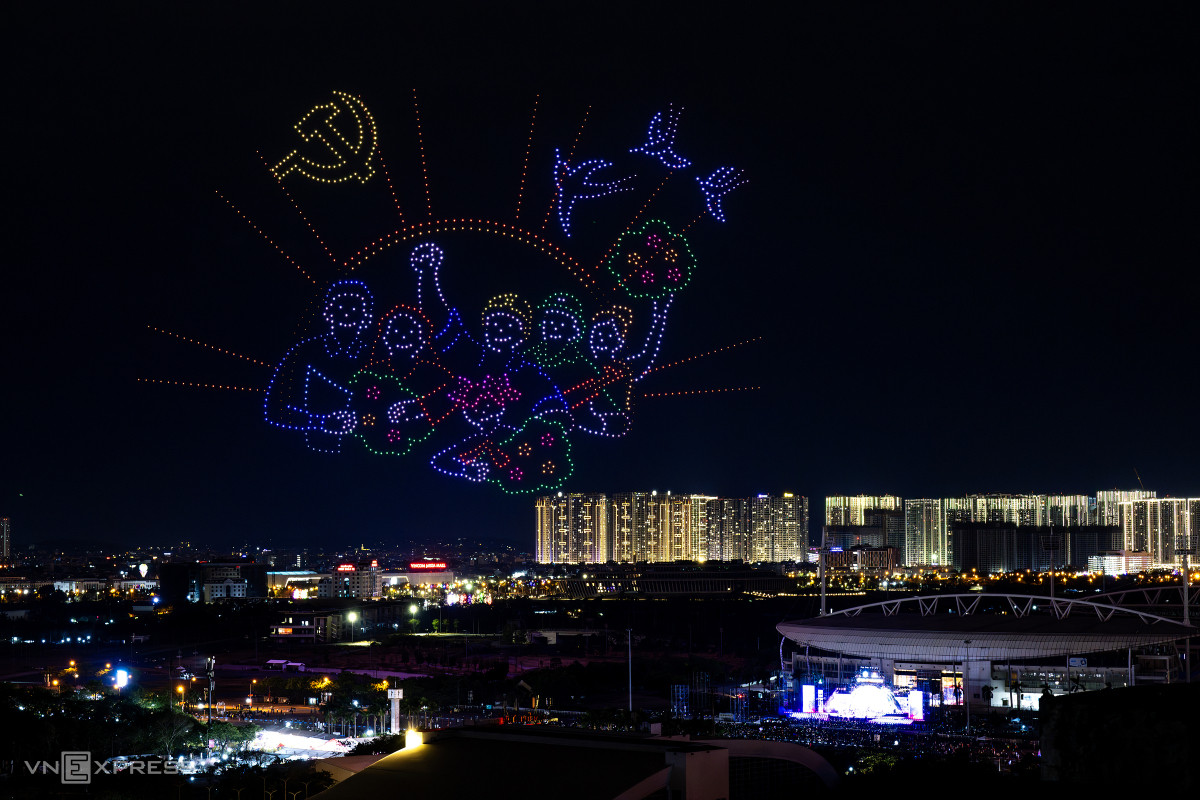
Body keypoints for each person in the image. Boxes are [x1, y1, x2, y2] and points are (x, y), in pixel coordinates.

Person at [264, 280, 374, 453]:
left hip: (359, 458)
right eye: (340, 308)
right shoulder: (303, 353)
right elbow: (274, 409)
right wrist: (320, 422)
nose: (346, 315)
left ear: (365, 315)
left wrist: (359, 422)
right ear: (328, 312)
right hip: (304, 453)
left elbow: (386, 410)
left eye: (353, 309)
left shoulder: (375, 358)